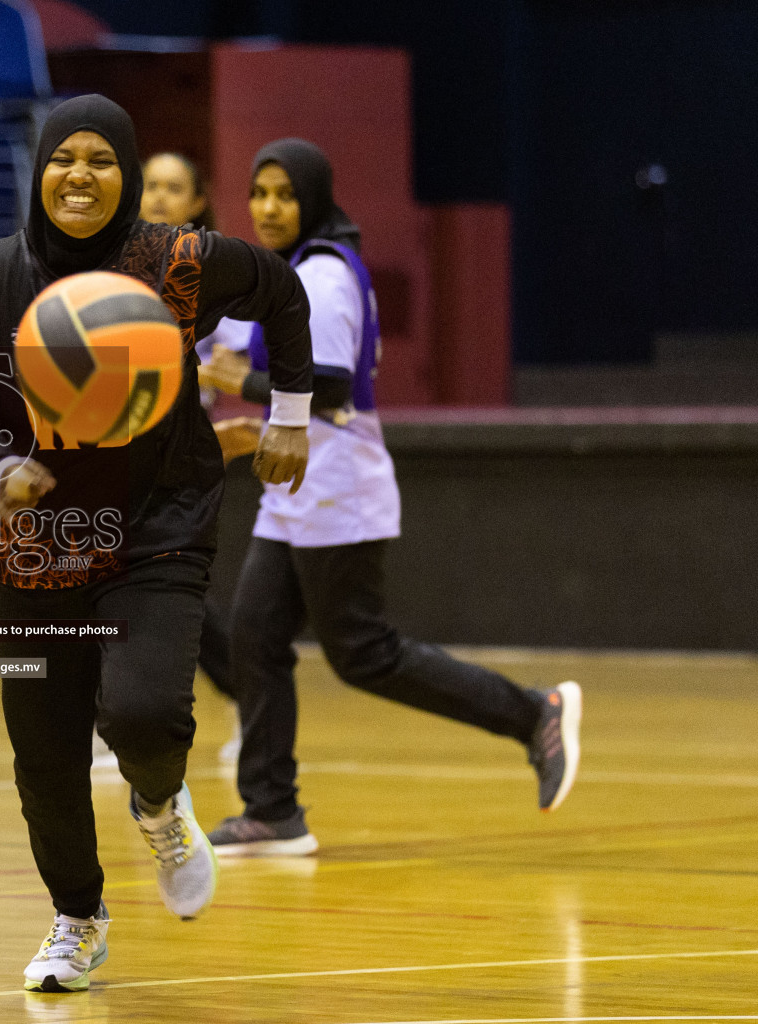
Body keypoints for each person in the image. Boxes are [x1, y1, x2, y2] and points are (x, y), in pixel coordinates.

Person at [0, 95, 314, 993]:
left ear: (130, 173)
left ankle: (158, 800)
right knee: (46, 752)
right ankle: (77, 917)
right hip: (39, 539)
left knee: (142, 716)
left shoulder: (178, 261)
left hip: (157, 526)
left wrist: (290, 414)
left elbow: (283, 290)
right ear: (39, 170)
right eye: (65, 157)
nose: (81, 175)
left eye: (103, 159)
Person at [197, 138, 583, 858]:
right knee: (253, 634)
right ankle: (272, 809)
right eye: (259, 193)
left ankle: (533, 712)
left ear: (310, 198)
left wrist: (237, 386)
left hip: (337, 488)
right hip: (293, 490)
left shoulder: (324, 276)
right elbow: (232, 349)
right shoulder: (280, 275)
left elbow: (332, 384)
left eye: (283, 193)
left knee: (364, 654)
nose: (269, 207)